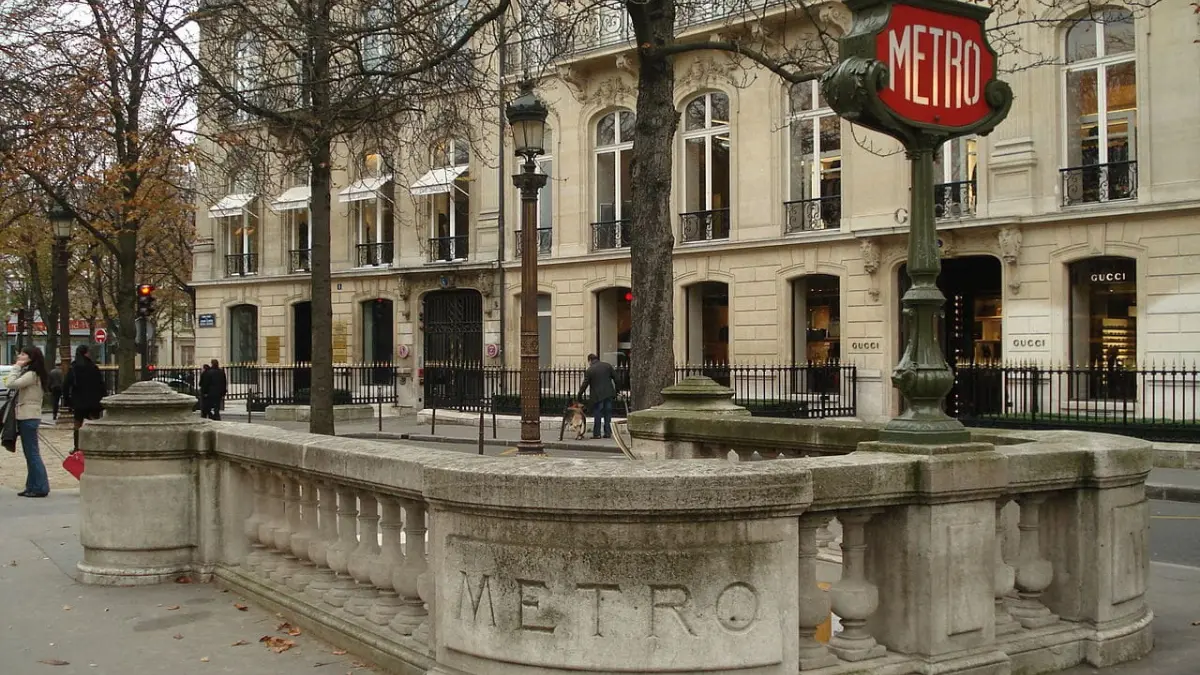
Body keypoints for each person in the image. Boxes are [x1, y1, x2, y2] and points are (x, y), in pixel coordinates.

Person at [7, 347, 51, 497]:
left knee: (32, 453)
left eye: (23, 354)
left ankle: (40, 486)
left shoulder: (32, 374)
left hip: (28, 416)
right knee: (30, 453)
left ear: (31, 358)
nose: (20, 356)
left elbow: (11, 383)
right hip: (28, 415)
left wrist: (16, 367)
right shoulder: (33, 373)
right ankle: (32, 485)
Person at [63, 344, 107, 448]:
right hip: (94, 401)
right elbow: (101, 384)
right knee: (95, 424)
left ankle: (77, 447)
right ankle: (96, 445)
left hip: (79, 401)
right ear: (86, 353)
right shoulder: (93, 367)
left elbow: (65, 385)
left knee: (77, 424)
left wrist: (68, 401)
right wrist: (103, 399)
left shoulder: (73, 368)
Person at [577, 354, 617, 440]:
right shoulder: (607, 366)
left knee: (598, 414)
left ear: (590, 360)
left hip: (597, 396)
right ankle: (607, 432)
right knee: (608, 414)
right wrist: (617, 390)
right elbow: (616, 378)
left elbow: (585, 384)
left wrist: (579, 395)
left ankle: (597, 434)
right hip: (609, 394)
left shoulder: (590, 370)